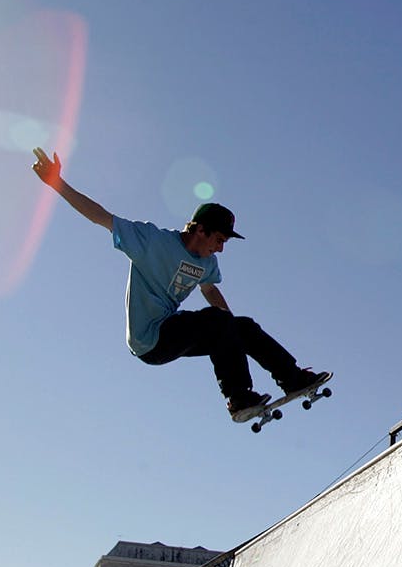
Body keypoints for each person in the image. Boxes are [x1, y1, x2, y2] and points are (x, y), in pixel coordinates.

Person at [30, 147, 329, 421]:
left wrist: (232, 331)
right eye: (218, 240)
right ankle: (238, 398)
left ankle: (292, 378)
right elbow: (101, 218)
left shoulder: (207, 263)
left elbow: (210, 289)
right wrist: (57, 183)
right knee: (217, 321)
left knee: (242, 325)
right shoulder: (152, 241)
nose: (220, 249)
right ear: (200, 230)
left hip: (175, 333)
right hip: (149, 340)